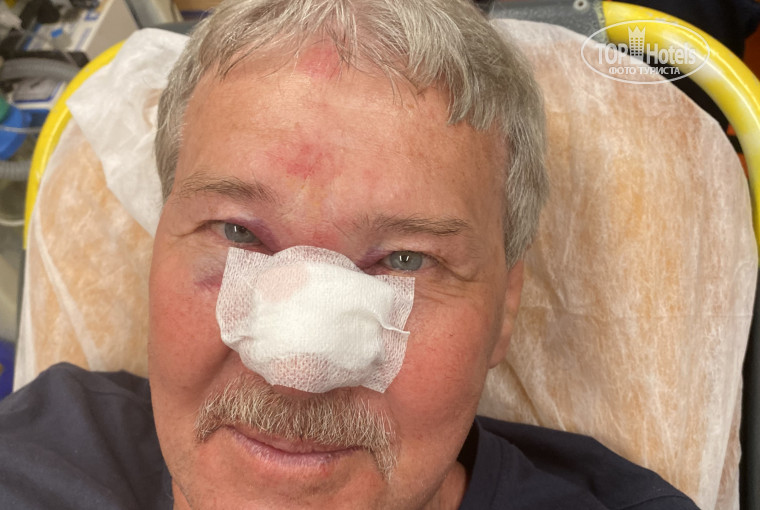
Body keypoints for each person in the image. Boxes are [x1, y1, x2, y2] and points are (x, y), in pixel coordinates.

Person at [0, 0, 700, 508]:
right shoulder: (32, 456)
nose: (299, 371)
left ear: (505, 309)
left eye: (404, 260)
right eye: (238, 233)